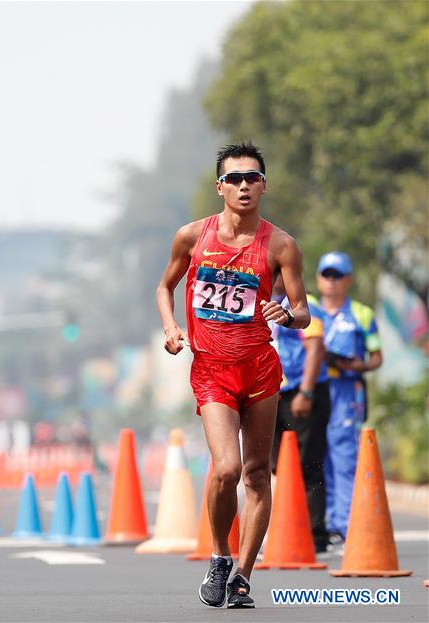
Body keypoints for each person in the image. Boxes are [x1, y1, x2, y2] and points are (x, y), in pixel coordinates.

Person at [156, 142, 310, 609]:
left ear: (264, 185)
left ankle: (242, 575)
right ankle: (220, 555)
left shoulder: (281, 246)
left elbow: (303, 311)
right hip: (211, 370)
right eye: (235, 178)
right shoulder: (192, 237)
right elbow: (165, 287)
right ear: (219, 186)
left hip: (260, 370)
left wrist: (286, 313)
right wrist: (171, 327)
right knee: (225, 468)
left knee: (257, 473)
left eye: (253, 178)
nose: (244, 186)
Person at [315, 251, 382, 548]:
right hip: (316, 389)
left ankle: (344, 525)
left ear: (348, 280)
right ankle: (323, 524)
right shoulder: (309, 309)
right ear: (318, 279)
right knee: (318, 458)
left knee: (343, 457)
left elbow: (377, 357)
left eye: (337, 276)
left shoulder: (362, 313)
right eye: (326, 275)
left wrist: (359, 366)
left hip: (346, 391)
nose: (331, 282)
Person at [270, 275, 331, 552]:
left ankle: (315, 535)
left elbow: (315, 347)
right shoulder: (267, 304)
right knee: (275, 465)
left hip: (303, 394)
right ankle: (287, 529)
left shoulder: (305, 306)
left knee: (308, 464)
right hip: (275, 394)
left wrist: (306, 392)